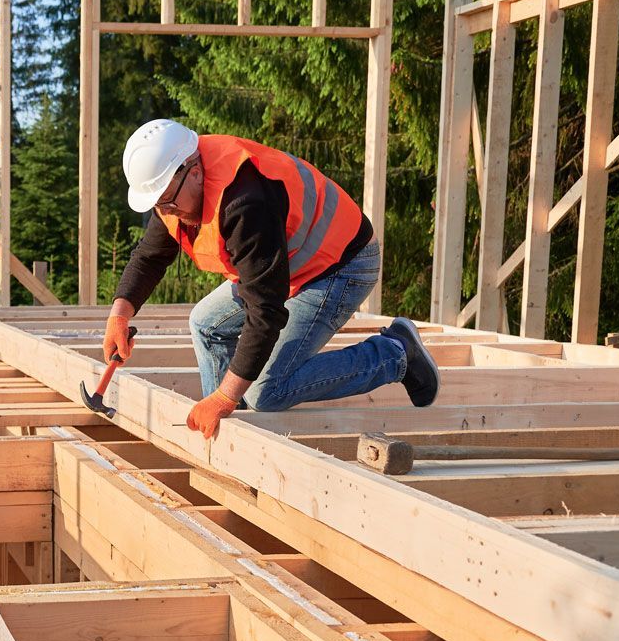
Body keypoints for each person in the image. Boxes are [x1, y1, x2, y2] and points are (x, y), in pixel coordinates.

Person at [103, 119, 439, 439]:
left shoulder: (245, 202)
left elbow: (265, 312)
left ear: (193, 171)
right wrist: (120, 315)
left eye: (169, 201)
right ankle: (232, 438)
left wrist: (225, 397)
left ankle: (395, 353)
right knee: (205, 323)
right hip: (289, 266)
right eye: (158, 204)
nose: (167, 211)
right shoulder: (172, 194)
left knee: (266, 391)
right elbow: (150, 256)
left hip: (341, 265)